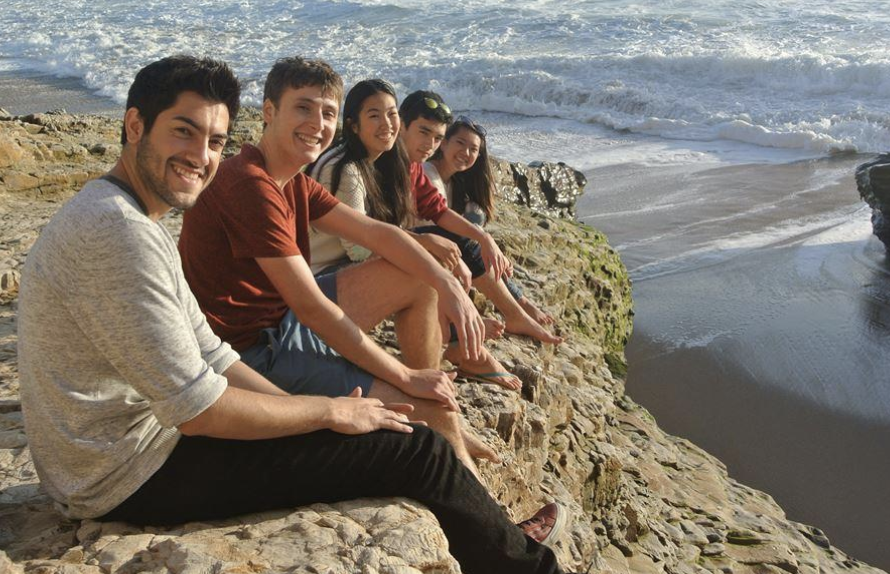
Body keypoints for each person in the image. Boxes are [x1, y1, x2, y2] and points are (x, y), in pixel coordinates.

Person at [16, 54, 576, 574]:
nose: (202, 156)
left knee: (396, 428)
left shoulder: (128, 217)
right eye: (183, 131)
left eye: (214, 140)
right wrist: (328, 412)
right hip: (129, 473)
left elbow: (211, 353)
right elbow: (199, 410)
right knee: (417, 449)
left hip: (133, 451)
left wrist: (311, 417)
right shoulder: (119, 232)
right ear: (135, 126)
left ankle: (495, 538)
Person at [178, 58, 498, 476]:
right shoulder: (250, 186)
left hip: (281, 323)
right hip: (251, 354)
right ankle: (455, 449)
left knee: (418, 280)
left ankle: (442, 416)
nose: (317, 123)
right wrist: (404, 377)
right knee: (429, 405)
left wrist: (448, 285)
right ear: (269, 111)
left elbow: (379, 234)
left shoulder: (292, 180)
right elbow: (313, 309)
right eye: (303, 108)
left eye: (328, 112)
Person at [308, 79, 522, 390]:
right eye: (374, 115)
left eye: (391, 114)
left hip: (336, 277)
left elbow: (424, 214)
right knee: (422, 269)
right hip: (315, 286)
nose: (386, 124)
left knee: (429, 261)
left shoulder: (381, 162)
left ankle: (439, 362)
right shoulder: (347, 169)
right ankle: (445, 363)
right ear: (353, 125)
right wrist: (423, 245)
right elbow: (358, 249)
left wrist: (466, 244)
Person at [420, 110, 562, 343]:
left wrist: (490, 247)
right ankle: (515, 313)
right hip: (414, 246)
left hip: (433, 251)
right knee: (467, 241)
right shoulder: (427, 172)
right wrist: (485, 241)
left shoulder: (453, 182)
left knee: (474, 231)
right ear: (443, 143)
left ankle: (521, 303)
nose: (466, 153)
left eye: (473, 149)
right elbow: (440, 223)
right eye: (460, 143)